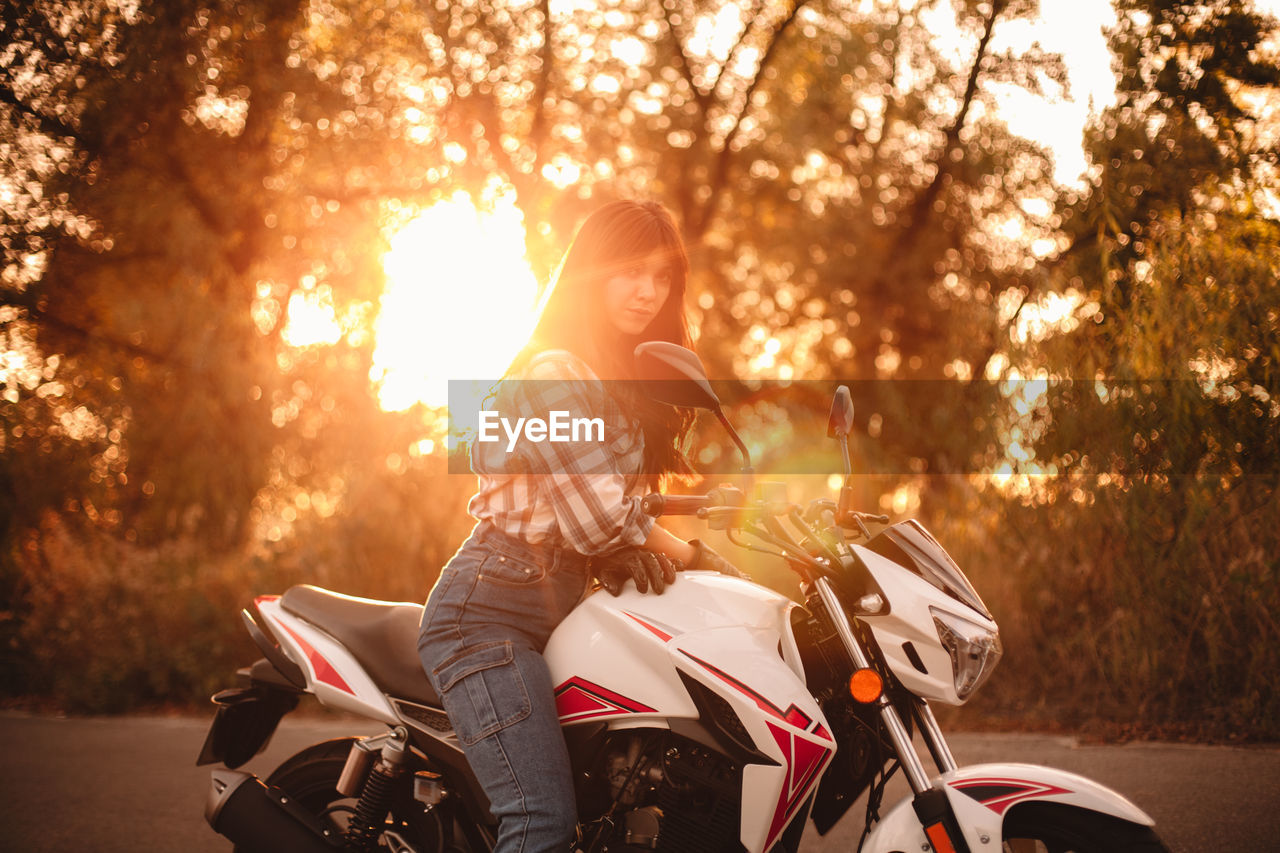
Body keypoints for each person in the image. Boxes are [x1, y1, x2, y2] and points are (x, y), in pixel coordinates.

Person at [417, 200, 740, 853]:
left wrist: (691, 515)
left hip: (551, 606)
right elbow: (600, 519)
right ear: (592, 273)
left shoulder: (611, 379)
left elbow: (611, 512)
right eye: (630, 273)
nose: (648, 291)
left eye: (662, 276)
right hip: (486, 614)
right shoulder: (552, 372)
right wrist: (697, 555)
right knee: (541, 821)